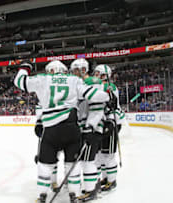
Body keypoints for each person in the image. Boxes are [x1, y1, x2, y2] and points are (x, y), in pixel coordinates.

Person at [14, 60, 110, 203]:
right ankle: (74, 195)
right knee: (72, 164)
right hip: (72, 127)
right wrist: (108, 96)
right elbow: (95, 95)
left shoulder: (43, 79)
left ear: (51, 70)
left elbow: (20, 81)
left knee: (45, 164)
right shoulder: (74, 80)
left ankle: (42, 196)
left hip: (51, 129)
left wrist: (24, 67)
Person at [71, 59, 107, 201]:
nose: (73, 73)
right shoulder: (80, 83)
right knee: (87, 159)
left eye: (75, 70)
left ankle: (91, 191)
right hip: (84, 126)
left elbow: (98, 108)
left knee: (88, 160)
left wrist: (91, 126)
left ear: (83, 70)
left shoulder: (93, 82)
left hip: (91, 127)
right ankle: (93, 185)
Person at [93, 64, 124, 192]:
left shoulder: (110, 87)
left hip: (112, 122)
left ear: (104, 75)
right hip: (103, 122)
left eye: (97, 73)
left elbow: (111, 105)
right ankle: (105, 178)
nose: (95, 75)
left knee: (108, 154)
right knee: (100, 154)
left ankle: (112, 181)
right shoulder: (100, 86)